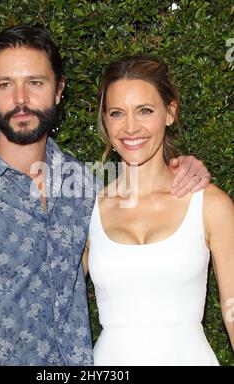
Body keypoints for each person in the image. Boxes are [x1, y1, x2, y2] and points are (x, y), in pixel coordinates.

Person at [0, 25, 211, 366]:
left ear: (58, 90)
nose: (20, 99)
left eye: (35, 83)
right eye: (5, 84)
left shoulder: (87, 189)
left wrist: (184, 167)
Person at [84, 55, 234, 366]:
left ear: (170, 112)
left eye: (145, 111)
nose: (130, 128)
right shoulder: (86, 209)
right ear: (105, 119)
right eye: (116, 113)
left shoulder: (210, 204)